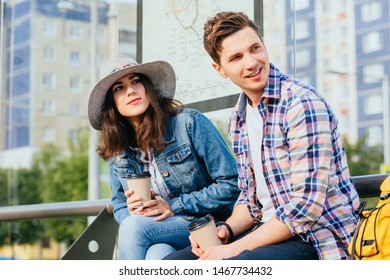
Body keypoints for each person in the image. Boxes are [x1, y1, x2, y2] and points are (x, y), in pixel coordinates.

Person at [164, 11, 361, 260]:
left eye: (255, 48)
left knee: (234, 266)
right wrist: (226, 230)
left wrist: (231, 250)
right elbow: (250, 199)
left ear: (265, 46)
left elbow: (305, 208)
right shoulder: (239, 118)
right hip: (266, 235)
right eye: (236, 57)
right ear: (220, 69)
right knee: (171, 264)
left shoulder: (300, 104)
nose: (251, 63)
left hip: (316, 238)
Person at [87, 55, 240, 260]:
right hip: (156, 229)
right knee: (156, 256)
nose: (130, 90)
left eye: (135, 81)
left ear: (147, 87)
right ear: (112, 104)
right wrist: (134, 211)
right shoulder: (118, 151)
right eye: (119, 88)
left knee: (133, 228)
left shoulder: (189, 123)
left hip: (207, 224)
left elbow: (232, 184)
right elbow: (119, 205)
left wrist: (173, 205)